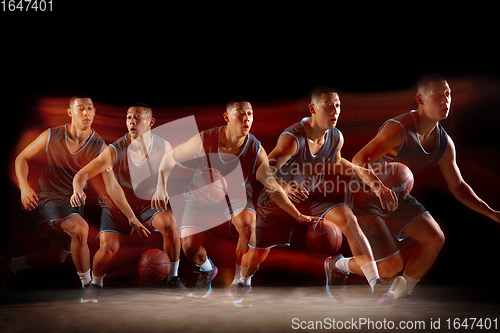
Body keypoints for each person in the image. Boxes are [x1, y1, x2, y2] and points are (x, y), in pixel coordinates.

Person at [350, 74, 500, 305]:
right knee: (390, 267)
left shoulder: (444, 143)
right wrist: (379, 187)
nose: (445, 100)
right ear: (420, 99)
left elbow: (458, 186)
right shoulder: (398, 129)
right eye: (437, 95)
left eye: (447, 94)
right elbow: (359, 160)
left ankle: (393, 298)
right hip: (366, 195)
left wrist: (491, 212)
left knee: (434, 238)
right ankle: (336, 264)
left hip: (396, 196)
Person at [152, 97, 317, 302]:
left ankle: (241, 281)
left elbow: (270, 184)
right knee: (189, 249)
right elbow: (168, 158)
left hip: (236, 193)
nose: (246, 118)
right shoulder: (205, 139)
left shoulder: (255, 147)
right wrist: (160, 187)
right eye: (240, 113)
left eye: (249, 113)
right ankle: (207, 269)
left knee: (248, 224)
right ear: (227, 117)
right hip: (202, 194)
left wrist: (298, 214)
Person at [241, 87, 398, 302]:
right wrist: (285, 187)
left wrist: (375, 183)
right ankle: (243, 280)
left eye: (337, 105)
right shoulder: (293, 139)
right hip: (278, 201)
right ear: (313, 108)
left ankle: (375, 283)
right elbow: (262, 172)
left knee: (348, 219)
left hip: (311, 196)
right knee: (255, 260)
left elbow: (336, 162)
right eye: (328, 106)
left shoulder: (335, 136)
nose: (334, 111)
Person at [71, 104, 186, 302]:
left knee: (171, 226)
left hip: (146, 204)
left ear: (150, 122)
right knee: (108, 247)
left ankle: (172, 278)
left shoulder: (163, 145)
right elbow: (82, 175)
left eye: (137, 117)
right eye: (129, 117)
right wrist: (77, 189)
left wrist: (162, 186)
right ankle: (95, 284)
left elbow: (168, 164)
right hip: (116, 206)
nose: (132, 121)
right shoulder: (113, 150)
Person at [7, 95, 105, 297]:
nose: (86, 113)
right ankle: (88, 287)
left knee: (57, 256)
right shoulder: (51, 136)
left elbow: (96, 176)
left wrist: (107, 197)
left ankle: (9, 266)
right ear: (70, 112)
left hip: (72, 204)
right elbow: (21, 158)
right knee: (81, 228)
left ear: (94, 112)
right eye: (80, 109)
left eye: (90, 109)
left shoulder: (98, 144)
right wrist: (25, 187)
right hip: (46, 199)